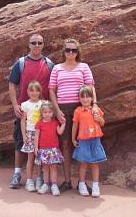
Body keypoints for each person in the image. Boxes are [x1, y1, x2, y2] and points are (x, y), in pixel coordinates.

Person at [49, 38, 99, 193]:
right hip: (63, 109)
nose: (70, 53)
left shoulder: (83, 67)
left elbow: (90, 86)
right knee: (65, 145)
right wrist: (57, 110)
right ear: (63, 52)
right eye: (68, 50)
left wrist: (94, 104)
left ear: (78, 52)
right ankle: (67, 181)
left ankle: (82, 182)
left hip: (81, 109)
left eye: (74, 50)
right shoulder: (57, 68)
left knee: (83, 143)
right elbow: (52, 89)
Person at [8, 34, 54, 189]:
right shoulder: (21, 63)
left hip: (43, 116)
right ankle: (17, 174)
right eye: (33, 43)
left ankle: (40, 177)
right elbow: (12, 84)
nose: (36, 45)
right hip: (24, 111)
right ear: (28, 45)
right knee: (20, 143)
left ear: (43, 45)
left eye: (39, 43)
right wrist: (15, 105)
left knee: (40, 147)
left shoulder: (49, 64)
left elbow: (54, 87)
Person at [72, 85, 107, 197]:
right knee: (83, 163)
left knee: (95, 163)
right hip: (83, 141)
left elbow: (102, 123)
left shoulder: (96, 110)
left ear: (92, 98)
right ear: (79, 98)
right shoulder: (78, 111)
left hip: (95, 140)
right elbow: (75, 125)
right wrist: (73, 138)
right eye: (83, 97)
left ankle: (96, 185)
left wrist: (99, 119)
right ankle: (81, 184)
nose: (85, 99)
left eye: (88, 97)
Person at [34, 101, 65, 196]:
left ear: (52, 113)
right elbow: (36, 136)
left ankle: (54, 185)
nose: (47, 114)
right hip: (43, 150)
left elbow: (59, 132)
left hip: (53, 150)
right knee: (45, 168)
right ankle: (46, 184)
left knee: (54, 168)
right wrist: (36, 148)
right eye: (45, 112)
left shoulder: (55, 122)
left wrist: (63, 124)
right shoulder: (39, 124)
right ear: (41, 113)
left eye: (49, 112)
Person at [20, 81, 43, 192]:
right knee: (30, 158)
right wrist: (24, 135)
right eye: (32, 90)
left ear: (40, 91)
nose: (34, 93)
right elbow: (23, 121)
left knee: (39, 159)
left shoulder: (43, 103)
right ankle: (29, 181)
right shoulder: (25, 105)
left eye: (36, 90)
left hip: (41, 134)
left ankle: (39, 180)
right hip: (30, 133)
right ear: (28, 92)